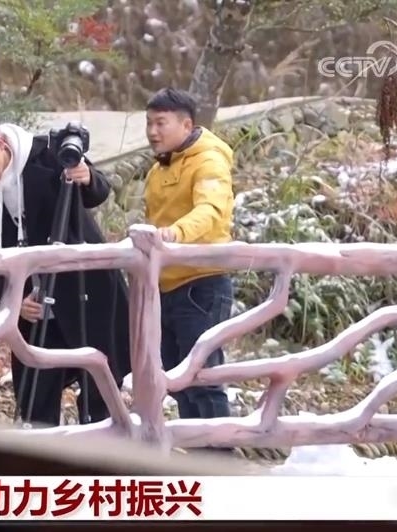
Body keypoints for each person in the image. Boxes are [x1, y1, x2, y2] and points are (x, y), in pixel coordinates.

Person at [0, 117, 132, 427]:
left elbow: (96, 192)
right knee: (35, 390)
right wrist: (15, 299)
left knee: (99, 381)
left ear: (0, 144)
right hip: (35, 303)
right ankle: (41, 448)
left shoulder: (48, 154)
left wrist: (86, 176)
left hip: (85, 286)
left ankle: (102, 445)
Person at [142, 88, 235, 422]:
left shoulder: (208, 160)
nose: (152, 132)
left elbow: (210, 210)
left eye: (160, 123)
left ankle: (219, 452)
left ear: (186, 124)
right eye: (149, 123)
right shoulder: (158, 169)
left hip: (201, 283)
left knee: (203, 379)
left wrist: (175, 233)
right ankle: (196, 447)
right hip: (165, 285)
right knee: (177, 379)